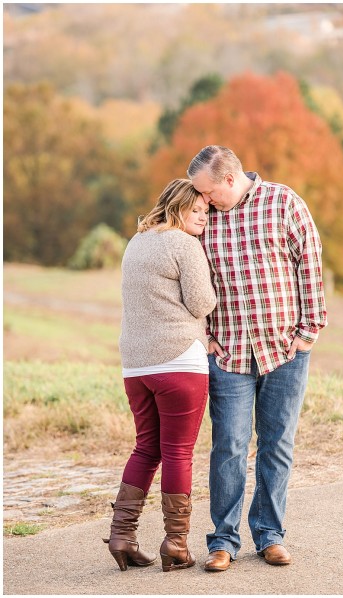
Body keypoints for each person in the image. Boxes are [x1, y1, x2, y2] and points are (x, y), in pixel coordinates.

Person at [187, 145, 327, 571]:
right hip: (228, 352)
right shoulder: (204, 218)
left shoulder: (284, 203)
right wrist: (203, 334)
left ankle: (269, 535)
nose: (204, 201)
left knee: (277, 445)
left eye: (209, 192)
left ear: (229, 179)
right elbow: (188, 275)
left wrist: (308, 331)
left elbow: (311, 265)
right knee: (227, 446)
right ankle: (223, 541)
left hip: (284, 351)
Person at [105, 179, 217, 572]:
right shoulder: (184, 244)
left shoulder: (136, 242)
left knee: (145, 448)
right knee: (177, 451)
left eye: (207, 211)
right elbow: (201, 302)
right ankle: (176, 543)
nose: (203, 217)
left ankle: (122, 535)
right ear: (176, 208)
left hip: (136, 366)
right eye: (196, 211)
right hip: (179, 361)